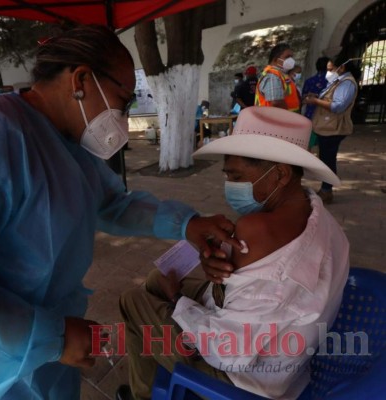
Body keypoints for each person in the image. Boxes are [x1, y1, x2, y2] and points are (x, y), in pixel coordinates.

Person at [0, 25, 241, 400]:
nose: (122, 116)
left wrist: (186, 224)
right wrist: (51, 336)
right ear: (82, 79)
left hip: (53, 345)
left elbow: (111, 203)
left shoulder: (68, 144)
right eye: (122, 99)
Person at [118, 107, 349, 400]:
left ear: (280, 174)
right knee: (155, 280)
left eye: (237, 176)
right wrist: (214, 269)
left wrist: (177, 300)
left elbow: (224, 352)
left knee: (133, 300)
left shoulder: (256, 228)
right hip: (284, 357)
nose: (230, 186)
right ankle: (149, 385)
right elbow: (258, 290)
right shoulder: (323, 219)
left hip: (241, 378)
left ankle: (145, 395)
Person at [303, 55, 360, 204]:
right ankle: (325, 189)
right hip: (327, 126)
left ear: (342, 67)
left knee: (328, 159)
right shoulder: (339, 80)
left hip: (333, 127)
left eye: (331, 69)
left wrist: (315, 101)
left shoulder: (347, 83)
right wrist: (316, 96)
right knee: (325, 157)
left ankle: (327, 191)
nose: (328, 72)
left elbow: (337, 106)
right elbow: (329, 98)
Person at [255, 43, 300, 112]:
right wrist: (290, 116)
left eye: (291, 57)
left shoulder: (281, 75)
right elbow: (276, 102)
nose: (291, 60)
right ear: (276, 59)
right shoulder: (272, 76)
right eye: (287, 57)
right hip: (276, 120)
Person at [301, 57, 330, 149]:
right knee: (323, 144)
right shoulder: (331, 82)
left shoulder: (309, 81)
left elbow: (303, 97)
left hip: (310, 114)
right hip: (325, 115)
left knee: (308, 142)